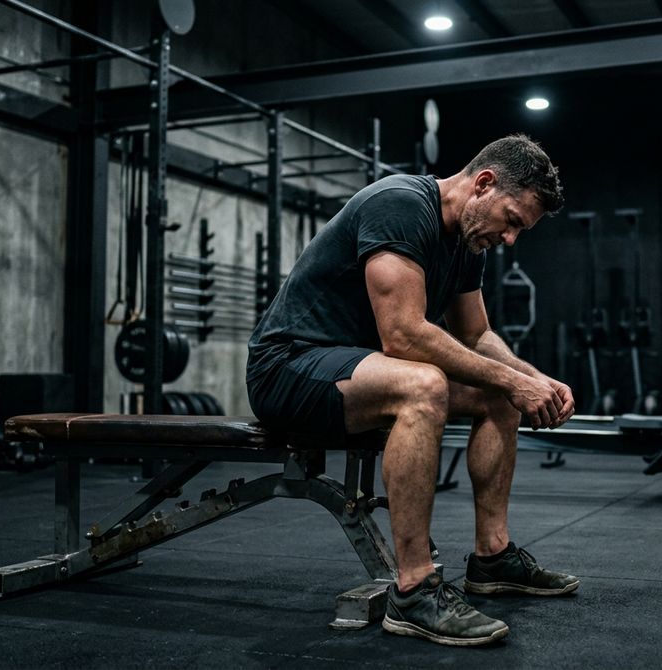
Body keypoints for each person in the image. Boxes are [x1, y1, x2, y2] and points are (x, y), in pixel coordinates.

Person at [247, 134, 578, 646]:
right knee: (421, 384)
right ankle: (414, 590)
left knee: (496, 393)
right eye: (511, 220)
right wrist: (513, 379)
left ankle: (493, 558)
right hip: (288, 367)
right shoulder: (400, 206)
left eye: (520, 230)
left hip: (358, 369)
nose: (511, 239)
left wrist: (529, 380)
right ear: (483, 184)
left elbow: (476, 337)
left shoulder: (468, 241)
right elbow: (402, 335)